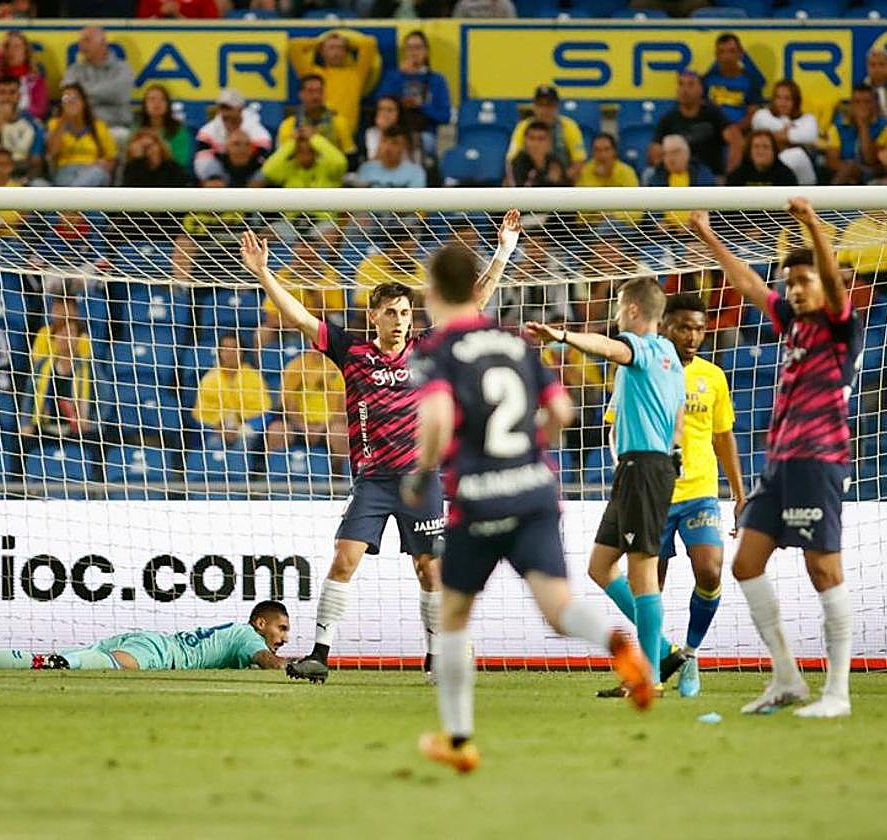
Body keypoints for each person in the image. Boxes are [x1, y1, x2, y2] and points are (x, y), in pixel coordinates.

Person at [238, 210, 522, 684]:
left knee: (429, 571)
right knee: (344, 558)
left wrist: (503, 252)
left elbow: (474, 302)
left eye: (405, 312)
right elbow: (301, 318)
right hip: (373, 480)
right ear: (373, 315)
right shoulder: (352, 352)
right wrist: (265, 273)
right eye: (390, 312)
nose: (399, 320)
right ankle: (321, 655)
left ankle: (436, 661)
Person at [404, 244, 654, 773]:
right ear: (477, 287)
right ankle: (613, 641)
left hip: (477, 499)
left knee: (452, 615)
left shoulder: (436, 350)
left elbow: (440, 419)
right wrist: (529, 447)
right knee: (559, 608)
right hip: (536, 491)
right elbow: (562, 409)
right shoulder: (515, 342)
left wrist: (424, 472)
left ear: (431, 292)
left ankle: (458, 739)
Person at [689, 200, 861, 719]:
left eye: (804, 280)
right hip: (780, 465)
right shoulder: (790, 326)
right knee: (744, 564)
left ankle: (838, 694)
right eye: (790, 283)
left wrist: (811, 224)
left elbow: (833, 283)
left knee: (824, 570)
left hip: (819, 460)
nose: (795, 289)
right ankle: (787, 676)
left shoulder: (838, 326)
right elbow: (746, 284)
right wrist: (706, 235)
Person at [525, 278, 687, 693]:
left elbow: (612, 348)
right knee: (601, 566)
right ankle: (665, 650)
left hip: (645, 469)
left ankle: (648, 675)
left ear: (633, 310)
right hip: (641, 467)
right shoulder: (670, 353)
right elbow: (679, 409)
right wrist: (677, 448)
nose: (616, 316)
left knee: (642, 573)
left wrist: (560, 335)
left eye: (619, 308)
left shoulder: (643, 347)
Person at [596, 293, 744, 699]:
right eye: (684, 327)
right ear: (665, 326)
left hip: (699, 490)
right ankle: (659, 658)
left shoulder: (712, 376)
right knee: (648, 585)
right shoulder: (643, 366)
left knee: (711, 570)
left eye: (699, 328)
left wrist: (739, 491)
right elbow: (614, 422)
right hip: (653, 490)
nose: (693, 335)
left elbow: (723, 435)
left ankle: (689, 654)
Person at [0, 601, 291, 671]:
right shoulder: (247, 637)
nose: (284, 637)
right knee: (59, 664)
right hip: (158, 653)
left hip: (142, 638)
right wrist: (301, 665)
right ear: (261, 623)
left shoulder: (238, 633)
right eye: (282, 628)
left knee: (44, 658)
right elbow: (270, 663)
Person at [287, 29, 379, 137]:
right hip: (316, 133)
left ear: (346, 51)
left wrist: (346, 41)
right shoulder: (313, 74)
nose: (336, 52)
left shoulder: (356, 74)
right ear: (322, 51)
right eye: (331, 48)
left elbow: (369, 43)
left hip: (346, 136)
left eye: (340, 48)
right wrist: (319, 42)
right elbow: (293, 46)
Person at [375, 30, 451, 160]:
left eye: (418, 48)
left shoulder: (436, 80)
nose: (413, 52)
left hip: (423, 133)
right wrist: (401, 76)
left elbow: (445, 116)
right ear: (404, 52)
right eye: (409, 48)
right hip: (394, 131)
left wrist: (422, 106)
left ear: (426, 52)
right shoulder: (394, 76)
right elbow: (381, 103)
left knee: (417, 144)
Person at [24, 298, 94, 439]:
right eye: (61, 333)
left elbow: (103, 395)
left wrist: (93, 422)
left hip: (77, 430)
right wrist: (26, 423)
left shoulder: (87, 366)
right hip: (44, 428)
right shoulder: (42, 365)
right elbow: (29, 395)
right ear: (54, 337)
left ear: (78, 337)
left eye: (71, 333)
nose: (66, 338)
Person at [652, 70, 738, 178]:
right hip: (678, 177)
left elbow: (736, 141)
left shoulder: (714, 115)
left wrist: (728, 175)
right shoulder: (668, 119)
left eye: (690, 84)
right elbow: (655, 151)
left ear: (701, 89)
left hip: (711, 178)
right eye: (681, 84)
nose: (685, 90)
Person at [192, 333, 272, 446]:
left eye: (235, 348)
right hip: (216, 430)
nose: (231, 353)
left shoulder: (254, 377)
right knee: (214, 443)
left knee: (244, 441)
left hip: (247, 427)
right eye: (226, 349)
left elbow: (264, 411)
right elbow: (201, 415)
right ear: (219, 352)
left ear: (242, 352)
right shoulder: (209, 379)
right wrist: (219, 430)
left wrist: (241, 428)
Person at [63, 26, 134, 143]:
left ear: (102, 43)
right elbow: (67, 97)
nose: (81, 45)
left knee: (123, 137)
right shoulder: (73, 70)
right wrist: (105, 94)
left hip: (115, 127)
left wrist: (82, 94)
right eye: (80, 41)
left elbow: (121, 95)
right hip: (83, 128)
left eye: (87, 40)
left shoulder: (122, 68)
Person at [506, 86, 586, 184]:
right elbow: (511, 160)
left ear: (557, 106)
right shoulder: (523, 127)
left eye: (549, 105)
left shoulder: (569, 126)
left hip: (562, 184)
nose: (545, 110)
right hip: (530, 182)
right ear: (534, 106)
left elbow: (579, 162)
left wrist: (560, 181)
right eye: (540, 105)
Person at [46, 83, 117, 187]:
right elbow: (52, 151)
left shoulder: (99, 126)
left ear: (83, 102)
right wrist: (64, 119)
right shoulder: (55, 124)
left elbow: (111, 159)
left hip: (92, 173)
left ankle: (68, 199)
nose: (71, 101)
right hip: (65, 173)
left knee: (97, 172)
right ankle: (74, 198)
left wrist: (103, 165)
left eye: (74, 98)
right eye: (66, 98)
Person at [750, 80, 819, 186]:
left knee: (796, 154)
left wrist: (779, 136)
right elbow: (762, 125)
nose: (782, 103)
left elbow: (810, 137)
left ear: (796, 101)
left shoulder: (808, 119)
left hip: (803, 176)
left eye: (787, 98)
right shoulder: (762, 115)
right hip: (768, 168)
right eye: (778, 98)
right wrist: (788, 130)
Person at [832, 83, 887, 186]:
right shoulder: (838, 127)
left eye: (867, 102)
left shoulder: (886, 128)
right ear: (851, 104)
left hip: (873, 174)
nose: (862, 106)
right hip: (844, 175)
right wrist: (851, 171)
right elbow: (832, 161)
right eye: (857, 102)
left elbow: (870, 160)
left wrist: (863, 125)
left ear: (874, 104)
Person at [276, 75, 355, 156]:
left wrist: (316, 139)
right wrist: (292, 143)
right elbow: (278, 161)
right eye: (311, 91)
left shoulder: (339, 122)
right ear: (301, 94)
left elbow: (352, 160)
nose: (316, 96)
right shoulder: (288, 125)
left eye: (320, 91)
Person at [702, 33, 764, 134]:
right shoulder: (707, 80)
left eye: (732, 51)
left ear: (740, 54)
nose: (727, 57)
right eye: (722, 52)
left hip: (740, 134)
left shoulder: (752, 81)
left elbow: (752, 115)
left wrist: (733, 131)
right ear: (716, 56)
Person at [0, 30, 49, 121]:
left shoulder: (35, 80)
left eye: (17, 47)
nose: (11, 51)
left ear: (25, 51)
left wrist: (14, 113)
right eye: (7, 46)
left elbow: (40, 109)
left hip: (25, 125)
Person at [194, 88, 273, 164]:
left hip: (250, 171)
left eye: (228, 108)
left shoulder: (258, 131)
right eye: (221, 108)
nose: (224, 113)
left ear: (240, 109)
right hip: (220, 172)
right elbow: (202, 160)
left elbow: (263, 159)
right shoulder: (207, 131)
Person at [134, 83, 193, 169]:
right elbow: (130, 157)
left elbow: (181, 162)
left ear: (168, 105)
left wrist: (160, 147)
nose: (157, 103)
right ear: (145, 105)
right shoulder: (137, 128)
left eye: (162, 99)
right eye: (151, 99)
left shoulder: (178, 130)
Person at [353, 126, 426, 188]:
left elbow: (415, 202)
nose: (388, 147)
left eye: (395, 143)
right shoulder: (366, 169)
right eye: (384, 141)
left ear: (404, 146)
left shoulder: (416, 172)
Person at [193, 128, 266, 187]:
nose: (242, 149)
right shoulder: (215, 165)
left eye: (247, 144)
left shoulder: (262, 168)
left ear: (252, 149)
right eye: (236, 144)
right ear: (226, 148)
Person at [504, 120, 567, 187]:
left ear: (549, 142)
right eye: (531, 138)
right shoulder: (516, 163)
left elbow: (567, 189)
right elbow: (520, 193)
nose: (535, 143)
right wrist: (540, 167)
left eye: (541, 139)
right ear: (525, 140)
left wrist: (558, 181)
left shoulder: (555, 162)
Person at [726, 130, 799, 187]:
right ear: (749, 151)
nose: (761, 151)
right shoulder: (737, 176)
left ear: (774, 151)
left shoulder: (786, 176)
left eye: (765, 147)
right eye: (756, 147)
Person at [123, 129, 190, 187]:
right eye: (143, 148)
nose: (148, 151)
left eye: (150, 146)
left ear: (160, 146)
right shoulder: (132, 168)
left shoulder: (173, 168)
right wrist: (139, 161)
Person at [364, 95, 420, 165]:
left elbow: (414, 163)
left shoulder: (409, 133)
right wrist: (383, 131)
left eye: (390, 110)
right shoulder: (371, 132)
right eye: (381, 109)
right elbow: (373, 164)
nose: (385, 114)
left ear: (399, 113)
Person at [864, 48, 887, 125]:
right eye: (872, 65)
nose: (877, 69)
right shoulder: (860, 93)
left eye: (881, 64)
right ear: (867, 67)